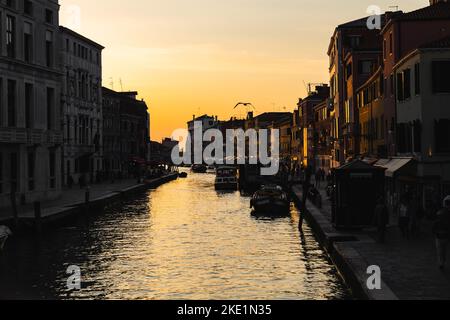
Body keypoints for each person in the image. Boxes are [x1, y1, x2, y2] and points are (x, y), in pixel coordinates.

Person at [432, 196, 450, 270]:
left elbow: (434, 225)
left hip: (439, 235)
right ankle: (443, 262)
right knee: (445, 250)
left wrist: (434, 232)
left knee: (440, 250)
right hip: (446, 235)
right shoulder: (446, 213)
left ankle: (441, 263)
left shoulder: (439, 213)